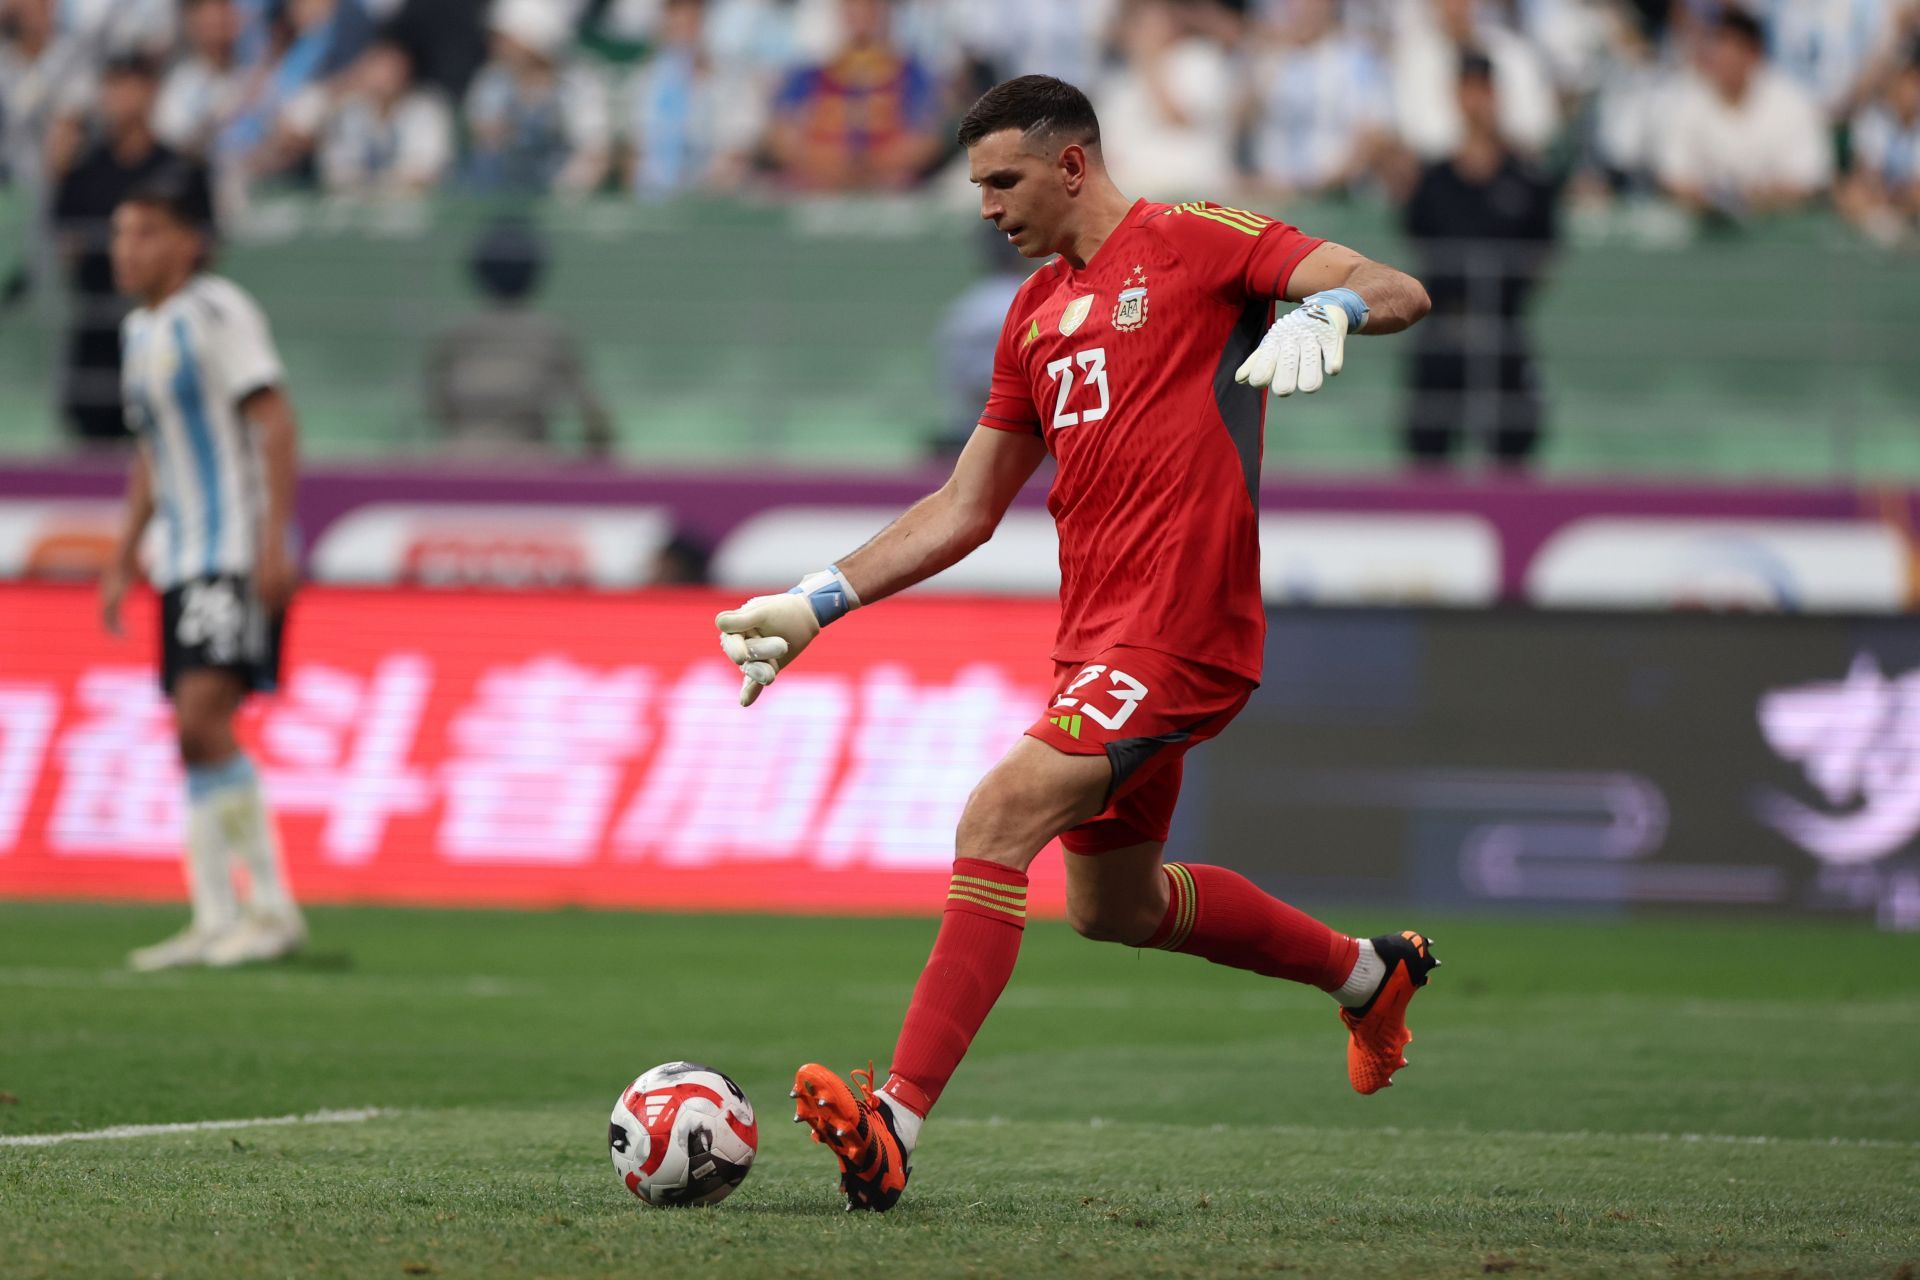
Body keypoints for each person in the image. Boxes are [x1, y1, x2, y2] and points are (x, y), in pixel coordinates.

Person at [714, 75, 1433, 1213]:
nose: (986, 205)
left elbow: (1395, 285)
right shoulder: (1032, 317)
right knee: (1115, 906)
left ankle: (892, 1122)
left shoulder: (1196, 242)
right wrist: (820, 598)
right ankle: (1367, 970)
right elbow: (965, 504)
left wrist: (1329, 309)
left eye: (1002, 180)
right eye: (975, 186)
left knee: (996, 816)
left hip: (1184, 628)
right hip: (1096, 640)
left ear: (1071, 165)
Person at [99, 177, 307, 970]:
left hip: (231, 549)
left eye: (146, 232)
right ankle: (215, 916)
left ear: (188, 241)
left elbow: (276, 423)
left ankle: (271, 909)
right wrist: (123, 555)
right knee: (191, 737)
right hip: (180, 558)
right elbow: (151, 454)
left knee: (201, 719)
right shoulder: (137, 332)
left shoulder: (217, 311)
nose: (128, 249)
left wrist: (273, 542)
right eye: (122, 233)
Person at [1401, 52, 1560, 466]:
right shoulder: (1434, 180)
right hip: (1443, 330)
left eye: (1483, 89)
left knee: (1514, 444)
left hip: (1503, 330)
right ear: (1455, 96)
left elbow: (1544, 251)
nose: (1475, 100)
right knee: (1427, 445)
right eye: (1467, 89)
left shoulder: (1525, 178)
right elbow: (1417, 241)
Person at [52, 55, 208, 444]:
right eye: (114, 87)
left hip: (167, 323)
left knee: (166, 439)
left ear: (151, 92)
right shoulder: (84, 167)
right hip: (100, 332)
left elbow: (205, 240)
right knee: (96, 448)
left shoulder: (180, 167)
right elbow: (63, 239)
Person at [423, 219, 616, 456]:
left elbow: (437, 405)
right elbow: (594, 416)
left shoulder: (455, 334)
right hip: (532, 468)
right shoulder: (550, 334)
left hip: (459, 462)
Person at [1654, 5, 1832, 218]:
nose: (1718, 58)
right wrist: (1713, 197)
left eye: (1728, 48)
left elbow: (1810, 180)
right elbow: (1673, 176)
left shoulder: (1790, 103)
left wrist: (1755, 197)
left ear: (1752, 54)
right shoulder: (1690, 98)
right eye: (1715, 47)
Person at [766, 0, 942, 191]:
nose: (861, 19)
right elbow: (781, 136)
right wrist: (828, 164)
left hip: (888, 189)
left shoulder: (912, 75)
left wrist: (872, 166)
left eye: (869, 10)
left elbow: (927, 138)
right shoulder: (810, 75)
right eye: (852, 10)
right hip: (819, 188)